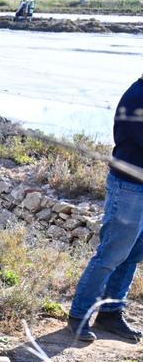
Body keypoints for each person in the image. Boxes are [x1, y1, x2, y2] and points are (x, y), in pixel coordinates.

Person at [67, 75, 143, 344]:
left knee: (133, 254)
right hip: (129, 188)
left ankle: (110, 312)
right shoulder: (137, 98)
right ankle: (79, 317)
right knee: (111, 253)